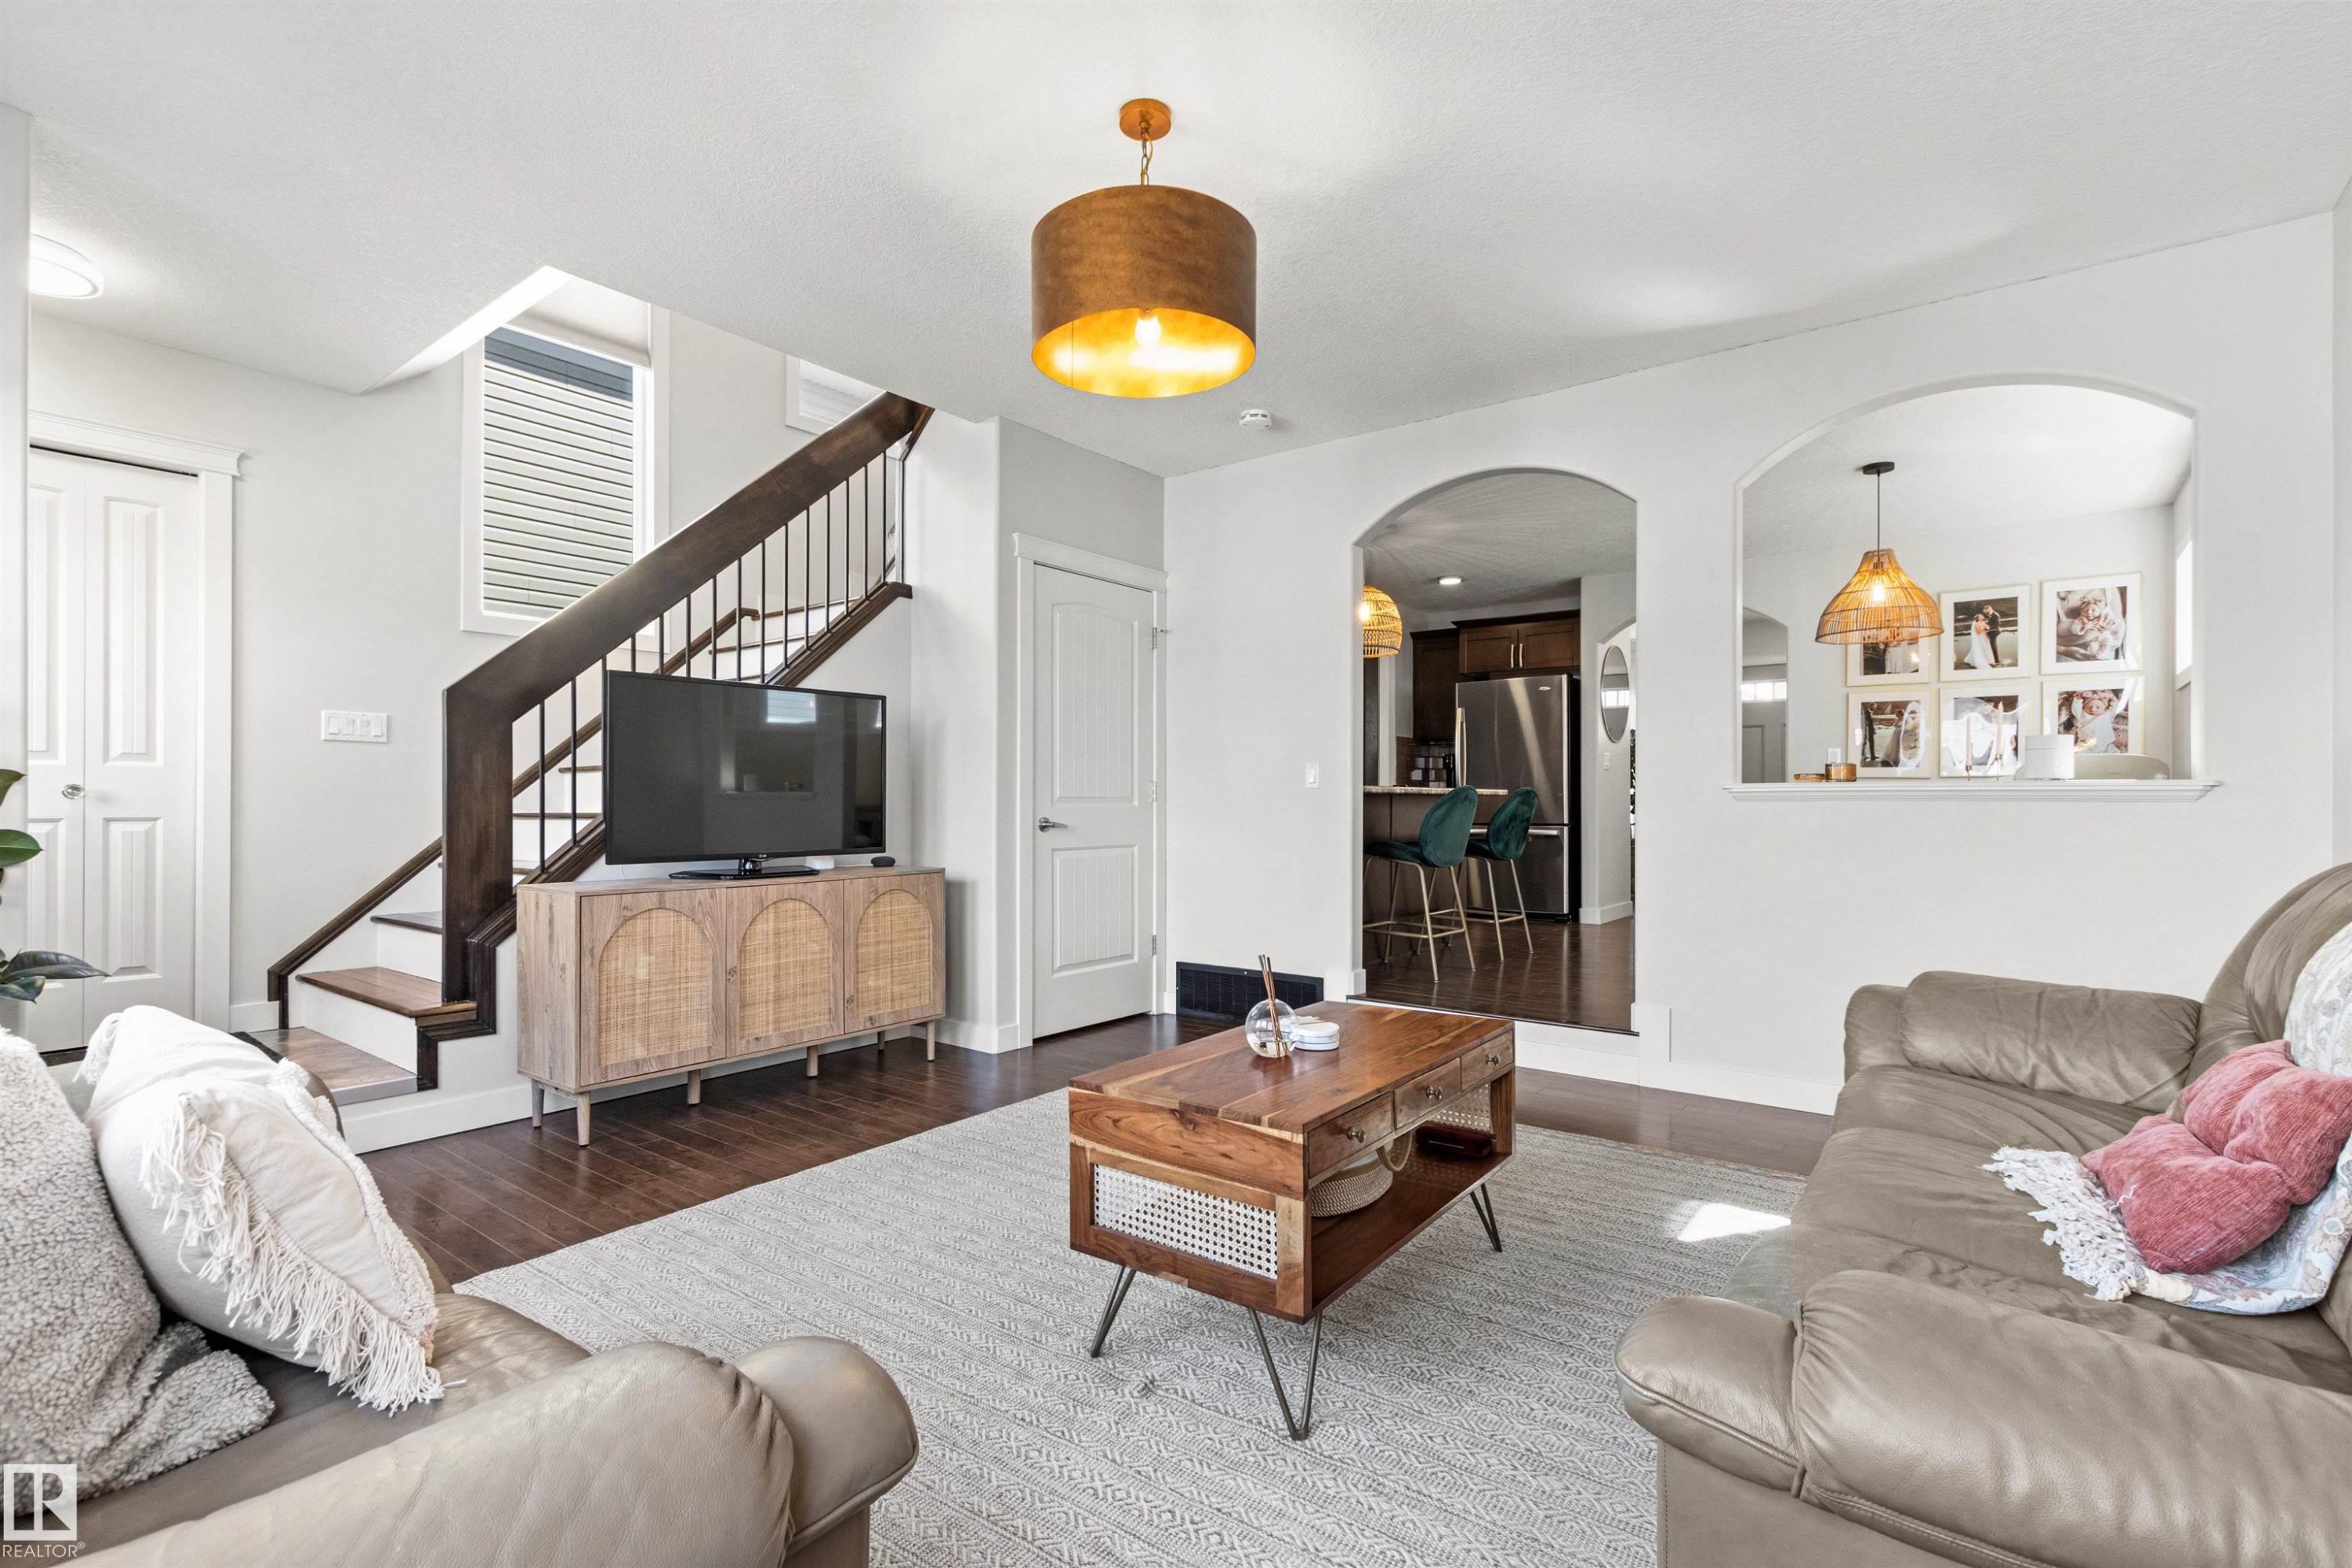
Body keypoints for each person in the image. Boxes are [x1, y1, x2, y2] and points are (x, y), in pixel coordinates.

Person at [1965, 605, 1999, 670]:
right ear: (1978, 618)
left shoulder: (1983, 622)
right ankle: (1985, 660)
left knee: (1988, 648)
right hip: (1981, 638)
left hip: (1985, 637)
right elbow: (1978, 632)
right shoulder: (1977, 623)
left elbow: (1989, 626)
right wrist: (1985, 630)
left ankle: (1990, 660)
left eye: (1982, 615)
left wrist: (1988, 628)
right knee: (1983, 648)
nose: (1983, 616)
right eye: (1981, 616)